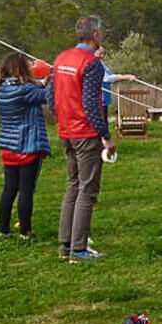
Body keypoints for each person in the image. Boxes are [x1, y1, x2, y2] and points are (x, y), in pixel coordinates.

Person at [50, 15, 115, 261]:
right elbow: (91, 104)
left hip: (66, 131)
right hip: (85, 133)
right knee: (87, 190)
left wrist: (62, 118)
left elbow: (51, 96)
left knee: (73, 185)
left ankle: (66, 243)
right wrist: (105, 136)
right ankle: (78, 248)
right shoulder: (92, 64)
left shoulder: (60, 58)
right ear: (95, 35)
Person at [0, 53, 50, 240]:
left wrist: (44, 81)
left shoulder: (2, 87)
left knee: (9, 188)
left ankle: (4, 230)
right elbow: (47, 97)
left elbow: (33, 90)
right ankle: (25, 231)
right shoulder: (26, 89)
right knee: (26, 189)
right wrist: (56, 79)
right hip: (28, 145)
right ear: (21, 68)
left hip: (8, 146)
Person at [93, 46, 137, 127]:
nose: (102, 56)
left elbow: (110, 75)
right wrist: (127, 77)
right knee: (101, 122)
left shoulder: (101, 63)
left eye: (103, 54)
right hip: (99, 98)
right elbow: (108, 78)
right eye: (100, 53)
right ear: (94, 52)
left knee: (104, 120)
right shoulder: (95, 64)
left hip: (104, 98)